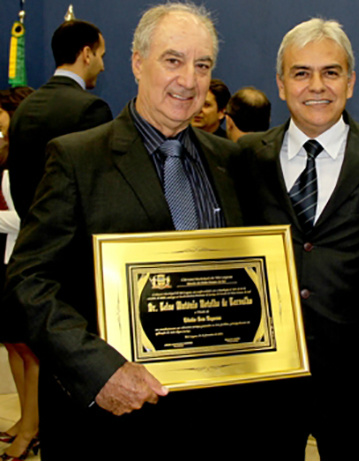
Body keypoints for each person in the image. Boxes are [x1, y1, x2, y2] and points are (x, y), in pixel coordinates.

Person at [3, 4, 244, 460]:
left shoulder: (231, 162)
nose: (188, 80)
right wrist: (99, 371)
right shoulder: (78, 159)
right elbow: (27, 283)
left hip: (215, 423)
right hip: (109, 427)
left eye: (202, 65)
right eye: (172, 60)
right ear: (137, 62)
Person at [236, 18, 359, 460]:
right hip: (265, 383)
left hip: (356, 381)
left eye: (331, 72)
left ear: (350, 82)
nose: (317, 86)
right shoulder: (243, 159)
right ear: (280, 83)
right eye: (301, 73)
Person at [8, 19, 112, 219]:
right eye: (101, 56)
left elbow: (19, 186)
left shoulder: (24, 107)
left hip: (32, 236)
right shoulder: (91, 109)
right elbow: (99, 192)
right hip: (73, 242)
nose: (102, 66)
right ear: (87, 54)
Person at [0, 87, 40, 461]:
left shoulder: (29, 161)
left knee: (30, 351)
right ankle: (23, 420)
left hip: (20, 263)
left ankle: (32, 425)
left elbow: (25, 216)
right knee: (12, 344)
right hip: (5, 262)